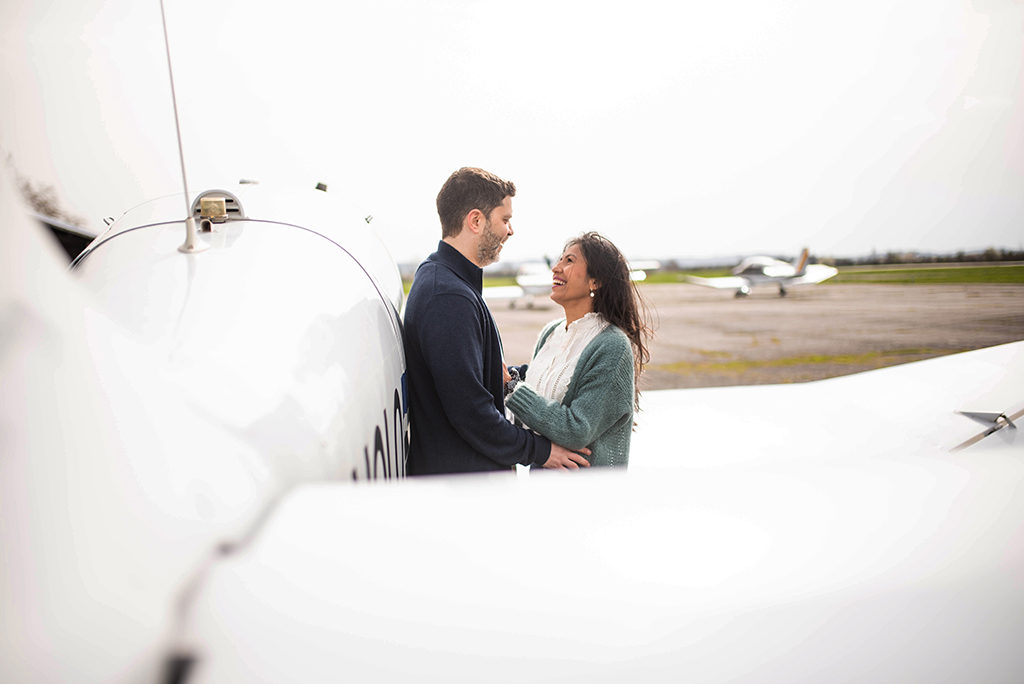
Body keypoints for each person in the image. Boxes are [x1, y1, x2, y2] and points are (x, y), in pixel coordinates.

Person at [403, 167, 591, 475]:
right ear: (476, 221)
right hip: (464, 496)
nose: (510, 230)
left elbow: (475, 383)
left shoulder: (445, 281)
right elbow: (472, 414)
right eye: (505, 219)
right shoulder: (448, 297)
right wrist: (542, 451)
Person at [504, 232, 652, 468]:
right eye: (559, 259)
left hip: (588, 496)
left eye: (569, 261)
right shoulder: (550, 334)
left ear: (596, 281)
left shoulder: (612, 345)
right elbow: (533, 416)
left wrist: (511, 387)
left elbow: (576, 430)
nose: (556, 268)